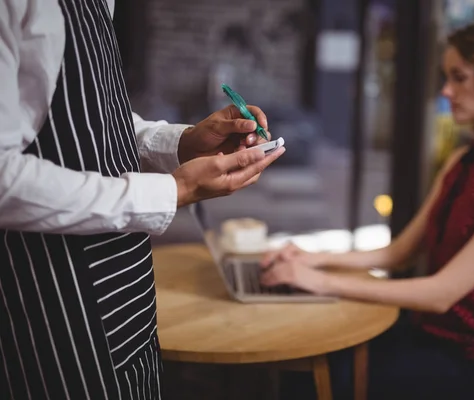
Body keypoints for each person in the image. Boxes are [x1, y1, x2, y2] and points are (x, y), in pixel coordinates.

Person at [0, 0, 285, 399]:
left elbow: (92, 117)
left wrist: (185, 142)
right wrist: (174, 190)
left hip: (129, 295)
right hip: (53, 307)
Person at [261, 16, 474, 400]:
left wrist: (319, 281)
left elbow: (441, 294)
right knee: (303, 349)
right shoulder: (464, 160)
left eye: (459, 77)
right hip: (430, 335)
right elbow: (399, 253)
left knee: (317, 373)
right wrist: (311, 258)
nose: (447, 90)